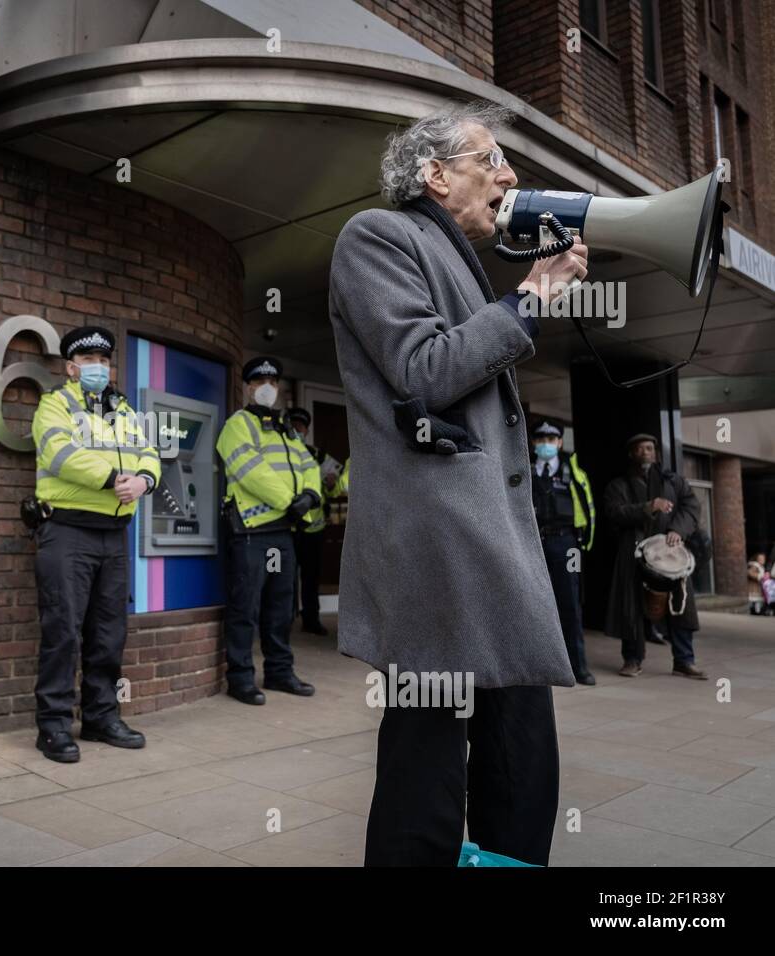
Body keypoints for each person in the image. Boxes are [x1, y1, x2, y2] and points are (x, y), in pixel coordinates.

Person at [329, 102, 588, 866]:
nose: (509, 177)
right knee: (426, 773)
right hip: (438, 560)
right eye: (490, 161)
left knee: (522, 761)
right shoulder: (379, 236)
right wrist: (531, 298)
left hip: (491, 553)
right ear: (434, 175)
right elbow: (424, 369)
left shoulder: (471, 269)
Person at [30, 326, 160, 763]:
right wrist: (113, 480)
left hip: (114, 534)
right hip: (67, 531)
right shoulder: (56, 404)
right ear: (71, 367)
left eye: (104, 360)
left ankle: (102, 717)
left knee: (108, 632)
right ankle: (52, 727)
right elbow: (58, 454)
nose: (98, 367)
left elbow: (149, 453)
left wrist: (143, 480)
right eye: (88, 360)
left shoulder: (124, 410)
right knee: (63, 630)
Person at [216, 358, 321, 705]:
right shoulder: (239, 424)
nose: (266, 386)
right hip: (251, 531)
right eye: (259, 380)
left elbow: (308, 464)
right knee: (245, 608)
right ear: (246, 386)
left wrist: (310, 495)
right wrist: (290, 500)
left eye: (273, 381)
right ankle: (240, 678)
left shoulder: (286, 428)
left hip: (282, 533)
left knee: (280, 607)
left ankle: (279, 672)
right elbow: (249, 469)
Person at [604, 434, 707, 679]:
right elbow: (614, 512)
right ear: (632, 454)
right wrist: (648, 507)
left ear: (656, 452)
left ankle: (684, 660)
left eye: (649, 448)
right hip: (634, 554)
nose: (645, 452)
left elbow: (691, 506)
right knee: (631, 609)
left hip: (670, 554)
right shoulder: (618, 485)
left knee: (680, 605)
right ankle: (632, 659)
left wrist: (677, 530)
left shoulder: (673, 482)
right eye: (639, 449)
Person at [529, 421, 596, 685]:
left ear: (559, 443)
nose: (546, 443)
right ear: (534, 443)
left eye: (551, 438)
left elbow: (588, 507)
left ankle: (578, 667)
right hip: (534, 543)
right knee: (533, 605)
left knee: (570, 604)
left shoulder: (573, 470)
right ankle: (537, 668)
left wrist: (584, 544)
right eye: (541, 438)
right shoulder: (525, 469)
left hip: (567, 545)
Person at [284, 406, 345, 636]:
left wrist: (331, 484)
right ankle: (285, 621)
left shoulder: (318, 455)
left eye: (301, 426)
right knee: (285, 577)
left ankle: (311, 619)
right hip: (287, 526)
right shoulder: (281, 451)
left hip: (314, 528)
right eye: (294, 424)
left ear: (307, 430)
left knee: (310, 578)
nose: (298, 429)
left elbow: (334, 487)